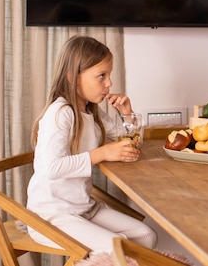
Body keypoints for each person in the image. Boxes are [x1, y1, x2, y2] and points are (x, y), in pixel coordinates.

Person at [27, 35, 157, 252]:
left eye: (109, 75)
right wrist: (102, 153)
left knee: (146, 236)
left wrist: (127, 114)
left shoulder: (90, 111)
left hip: (84, 207)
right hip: (52, 215)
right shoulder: (60, 113)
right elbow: (52, 168)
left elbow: (128, 142)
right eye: (101, 76)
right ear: (73, 78)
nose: (109, 83)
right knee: (119, 248)